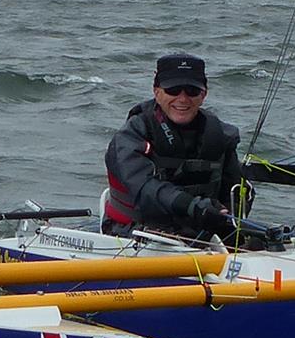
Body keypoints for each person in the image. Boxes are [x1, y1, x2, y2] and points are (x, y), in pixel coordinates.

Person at [102, 53, 247, 242]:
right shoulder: (131, 136)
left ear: (204, 94)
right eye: (174, 90)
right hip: (132, 233)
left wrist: (229, 224)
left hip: (200, 236)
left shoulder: (221, 136)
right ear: (157, 91)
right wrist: (191, 205)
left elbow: (234, 189)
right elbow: (143, 186)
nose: (183, 99)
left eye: (192, 91)